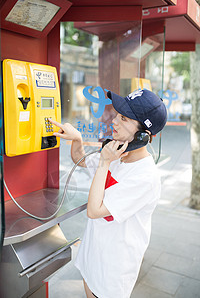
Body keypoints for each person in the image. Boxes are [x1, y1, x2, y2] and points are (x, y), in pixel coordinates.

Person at [49, 89, 167, 298]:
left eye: (124, 118)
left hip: (113, 270)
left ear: (142, 135)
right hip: (92, 257)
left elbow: (94, 211)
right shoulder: (118, 153)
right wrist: (77, 139)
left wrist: (105, 161)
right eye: (117, 114)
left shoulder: (145, 177)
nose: (114, 121)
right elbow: (82, 160)